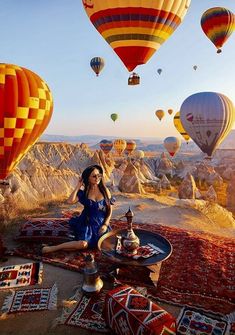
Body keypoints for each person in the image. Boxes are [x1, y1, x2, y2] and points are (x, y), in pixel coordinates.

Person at [42, 164, 114, 254]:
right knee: (83, 244)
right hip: (87, 223)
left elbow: (109, 210)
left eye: (99, 175)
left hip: (101, 223)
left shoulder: (105, 190)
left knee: (109, 246)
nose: (97, 178)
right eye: (94, 176)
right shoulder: (84, 193)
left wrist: (105, 225)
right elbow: (70, 201)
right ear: (88, 178)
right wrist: (78, 186)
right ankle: (54, 248)